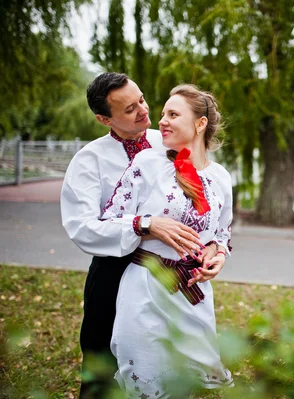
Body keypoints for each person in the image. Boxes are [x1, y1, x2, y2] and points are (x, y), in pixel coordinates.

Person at [61, 73, 216, 398]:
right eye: (130, 109)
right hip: (113, 273)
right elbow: (82, 228)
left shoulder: (170, 140)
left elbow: (207, 199)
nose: (144, 111)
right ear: (104, 118)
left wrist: (215, 248)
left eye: (142, 99)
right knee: (102, 372)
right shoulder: (90, 161)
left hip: (169, 279)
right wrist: (143, 224)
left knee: (163, 369)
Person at [101, 84, 234, 396]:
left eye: (173, 114)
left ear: (200, 123)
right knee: (145, 381)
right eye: (162, 114)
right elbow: (108, 220)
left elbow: (221, 233)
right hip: (146, 288)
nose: (161, 121)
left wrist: (217, 255)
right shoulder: (147, 164)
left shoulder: (222, 179)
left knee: (184, 384)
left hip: (192, 293)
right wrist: (147, 224)